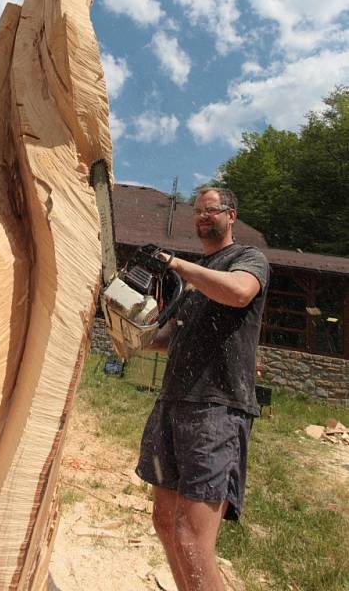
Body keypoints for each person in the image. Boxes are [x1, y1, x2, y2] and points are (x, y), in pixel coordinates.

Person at [136, 187, 269, 591]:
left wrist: (175, 263)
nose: (201, 218)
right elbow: (168, 338)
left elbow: (238, 292)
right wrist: (129, 324)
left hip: (217, 406)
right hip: (173, 401)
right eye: (197, 212)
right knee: (165, 525)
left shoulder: (248, 260)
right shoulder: (193, 278)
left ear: (232, 214)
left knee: (192, 538)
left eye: (211, 211)